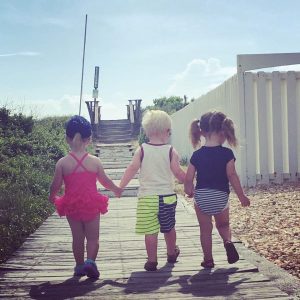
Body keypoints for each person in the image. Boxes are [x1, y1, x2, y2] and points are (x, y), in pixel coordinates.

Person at [49, 115, 122, 279]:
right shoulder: (94, 162)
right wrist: (116, 189)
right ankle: (91, 262)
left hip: (71, 205)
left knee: (77, 238)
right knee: (93, 237)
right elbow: (104, 181)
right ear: (88, 140)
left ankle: (79, 266)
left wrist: (52, 196)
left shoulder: (62, 163)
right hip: (91, 204)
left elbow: (55, 185)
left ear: (67, 139)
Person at [119, 110, 186, 271]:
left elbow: (132, 168)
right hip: (167, 197)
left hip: (147, 198)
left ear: (148, 131)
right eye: (169, 131)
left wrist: (120, 187)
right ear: (164, 132)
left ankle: (152, 260)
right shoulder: (170, 150)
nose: (170, 134)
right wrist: (189, 184)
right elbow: (177, 172)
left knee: (150, 231)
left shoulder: (141, 150)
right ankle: (171, 252)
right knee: (169, 228)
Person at [184, 111, 250, 268]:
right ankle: (227, 241)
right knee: (224, 225)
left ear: (202, 132)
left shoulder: (197, 155)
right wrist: (242, 196)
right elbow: (232, 176)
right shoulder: (227, 154)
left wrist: (189, 191)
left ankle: (208, 260)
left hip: (202, 198)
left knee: (205, 230)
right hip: (220, 197)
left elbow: (188, 178)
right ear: (223, 132)